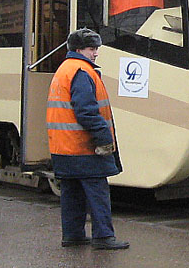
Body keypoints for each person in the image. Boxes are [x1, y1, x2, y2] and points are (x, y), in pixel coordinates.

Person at [46, 28, 129, 250]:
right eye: (92, 49)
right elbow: (86, 111)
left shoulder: (64, 69)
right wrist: (103, 137)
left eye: (96, 48)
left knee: (71, 192)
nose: (96, 53)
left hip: (63, 147)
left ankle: (73, 235)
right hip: (83, 147)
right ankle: (103, 236)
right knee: (97, 192)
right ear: (78, 49)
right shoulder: (82, 72)